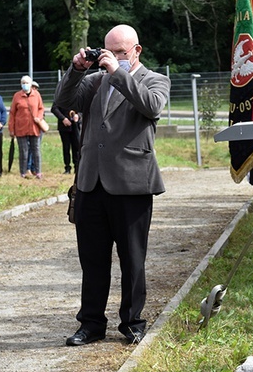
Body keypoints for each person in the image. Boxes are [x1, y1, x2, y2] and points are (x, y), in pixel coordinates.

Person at [55, 24, 170, 345]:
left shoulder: (155, 80)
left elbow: (151, 106)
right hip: (91, 182)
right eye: (110, 51)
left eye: (122, 52)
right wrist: (77, 69)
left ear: (137, 51)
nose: (115, 57)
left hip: (132, 183)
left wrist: (117, 73)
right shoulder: (94, 82)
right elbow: (63, 102)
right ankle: (90, 323)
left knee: (132, 259)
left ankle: (132, 321)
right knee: (92, 260)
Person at [8, 75, 44, 179]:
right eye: (23, 83)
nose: (25, 85)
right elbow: (12, 113)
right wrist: (11, 128)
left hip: (34, 127)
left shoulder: (36, 95)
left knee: (36, 150)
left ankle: (38, 172)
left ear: (31, 84)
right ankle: (23, 172)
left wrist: (39, 117)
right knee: (23, 151)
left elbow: (41, 108)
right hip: (21, 128)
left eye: (27, 83)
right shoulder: (17, 96)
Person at [51, 101, 80, 174]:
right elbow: (54, 108)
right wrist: (63, 118)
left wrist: (78, 115)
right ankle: (67, 167)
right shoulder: (61, 95)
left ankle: (77, 167)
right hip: (64, 126)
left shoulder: (79, 94)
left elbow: (83, 108)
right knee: (66, 147)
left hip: (75, 126)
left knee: (76, 146)